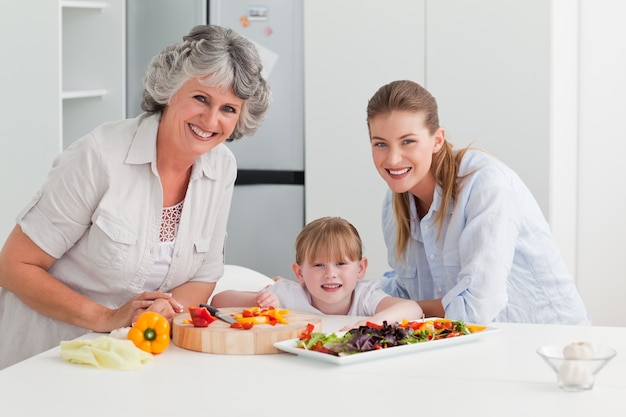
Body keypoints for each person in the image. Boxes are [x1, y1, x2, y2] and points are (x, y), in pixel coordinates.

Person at [0, 25, 271, 369]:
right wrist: (107, 318)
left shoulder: (221, 167)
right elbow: (14, 266)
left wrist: (159, 314)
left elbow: (203, 275)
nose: (211, 119)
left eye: (228, 109)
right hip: (48, 357)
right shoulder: (100, 155)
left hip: (134, 357)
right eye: (201, 98)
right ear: (171, 91)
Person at [365, 79, 589, 325]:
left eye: (408, 141)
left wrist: (402, 310)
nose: (393, 159)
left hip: (552, 344)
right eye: (381, 144)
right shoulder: (394, 204)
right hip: (481, 343)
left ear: (437, 140)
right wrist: (347, 291)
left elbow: (475, 310)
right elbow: (405, 289)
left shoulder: (485, 186)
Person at [211, 216, 424, 329]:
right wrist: (258, 300)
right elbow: (219, 301)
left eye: (341, 263)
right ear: (299, 273)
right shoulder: (288, 296)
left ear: (360, 269)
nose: (330, 273)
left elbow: (411, 308)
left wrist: (372, 323)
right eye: (319, 265)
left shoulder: (365, 296)